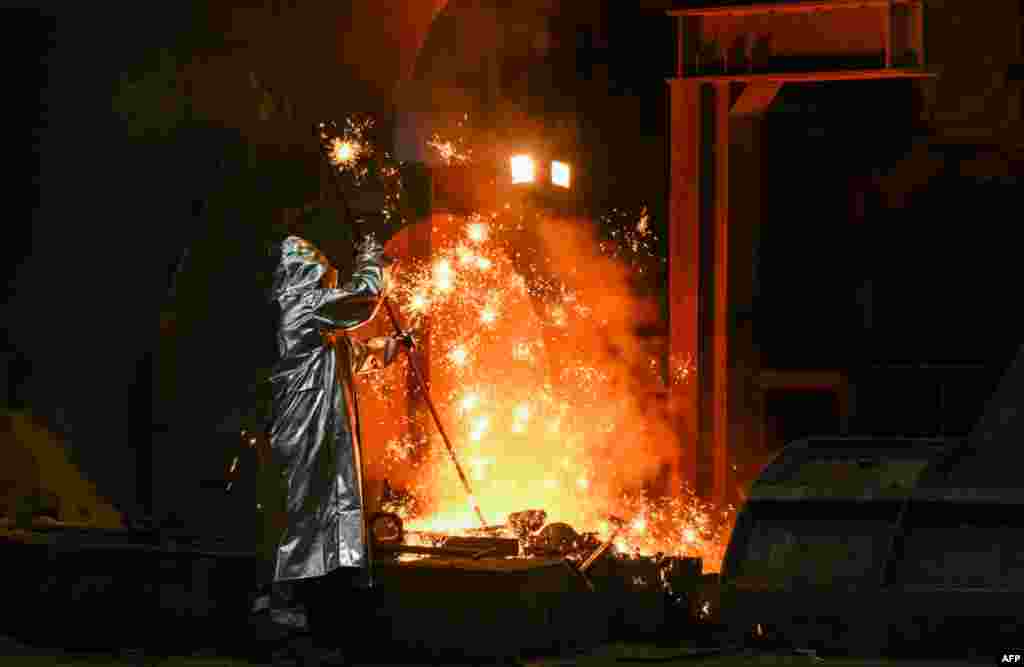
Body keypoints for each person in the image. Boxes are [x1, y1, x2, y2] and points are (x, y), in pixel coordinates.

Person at [264, 233, 410, 664]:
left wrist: (391, 348)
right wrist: (371, 261)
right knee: (304, 505)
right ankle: (280, 602)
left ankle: (308, 604)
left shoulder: (316, 315)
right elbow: (362, 299)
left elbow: (349, 351)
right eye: (322, 271)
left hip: (320, 424)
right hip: (304, 424)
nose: (328, 277)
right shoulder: (302, 305)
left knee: (320, 503)